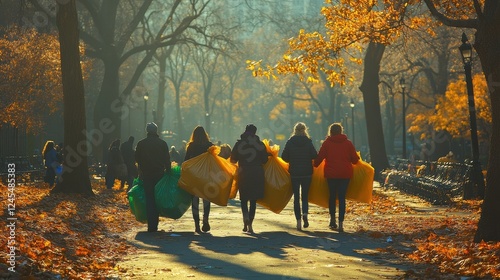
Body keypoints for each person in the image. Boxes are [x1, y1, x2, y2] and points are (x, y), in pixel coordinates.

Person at [314, 123, 359, 232]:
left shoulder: (327, 143)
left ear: (330, 132)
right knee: (342, 197)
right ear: (341, 131)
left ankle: (332, 219)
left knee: (332, 196)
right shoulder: (348, 143)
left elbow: (318, 159)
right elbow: (355, 160)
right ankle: (341, 222)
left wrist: (314, 164)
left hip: (331, 174)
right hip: (345, 174)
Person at [230, 124, 268, 233]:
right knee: (253, 200)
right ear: (255, 133)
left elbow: (233, 160)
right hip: (256, 173)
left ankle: (245, 217)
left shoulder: (239, 144)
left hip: (243, 172)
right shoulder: (260, 145)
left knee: (244, 198)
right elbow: (265, 160)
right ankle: (250, 224)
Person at [281, 122, 318, 230]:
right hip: (307, 172)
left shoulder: (290, 142)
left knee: (296, 197)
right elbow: (314, 155)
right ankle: (305, 214)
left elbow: (284, 157)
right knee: (305, 196)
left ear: (295, 130)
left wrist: (291, 159)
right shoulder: (308, 142)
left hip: (295, 173)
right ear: (304, 130)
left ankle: (298, 222)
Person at [135, 122, 171, 232]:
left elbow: (137, 158)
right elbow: (167, 159)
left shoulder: (141, 144)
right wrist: (168, 173)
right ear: (156, 131)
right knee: (158, 198)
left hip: (146, 174)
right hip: (159, 174)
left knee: (149, 199)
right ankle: (156, 222)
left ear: (147, 131)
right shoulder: (162, 143)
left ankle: (151, 225)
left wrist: (140, 170)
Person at [184, 126, 214, 234]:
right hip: (206, 176)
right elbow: (214, 161)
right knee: (206, 199)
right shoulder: (209, 146)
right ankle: (205, 219)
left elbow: (186, 161)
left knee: (195, 201)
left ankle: (196, 225)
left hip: (194, 176)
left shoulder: (191, 146)